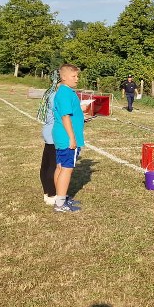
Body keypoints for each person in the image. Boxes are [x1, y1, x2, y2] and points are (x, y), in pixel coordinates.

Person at [52, 63, 85, 213]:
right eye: (74, 76)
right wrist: (72, 138)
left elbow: (70, 115)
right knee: (66, 169)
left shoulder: (64, 91)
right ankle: (60, 204)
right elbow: (65, 117)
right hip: (67, 137)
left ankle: (61, 197)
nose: (77, 79)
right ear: (64, 77)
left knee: (60, 167)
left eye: (77, 76)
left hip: (61, 136)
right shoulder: (65, 93)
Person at [38, 72, 59, 206]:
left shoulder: (49, 92)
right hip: (53, 132)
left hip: (48, 131)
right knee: (53, 165)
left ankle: (46, 192)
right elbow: (62, 114)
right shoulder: (56, 95)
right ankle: (51, 193)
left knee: (46, 163)